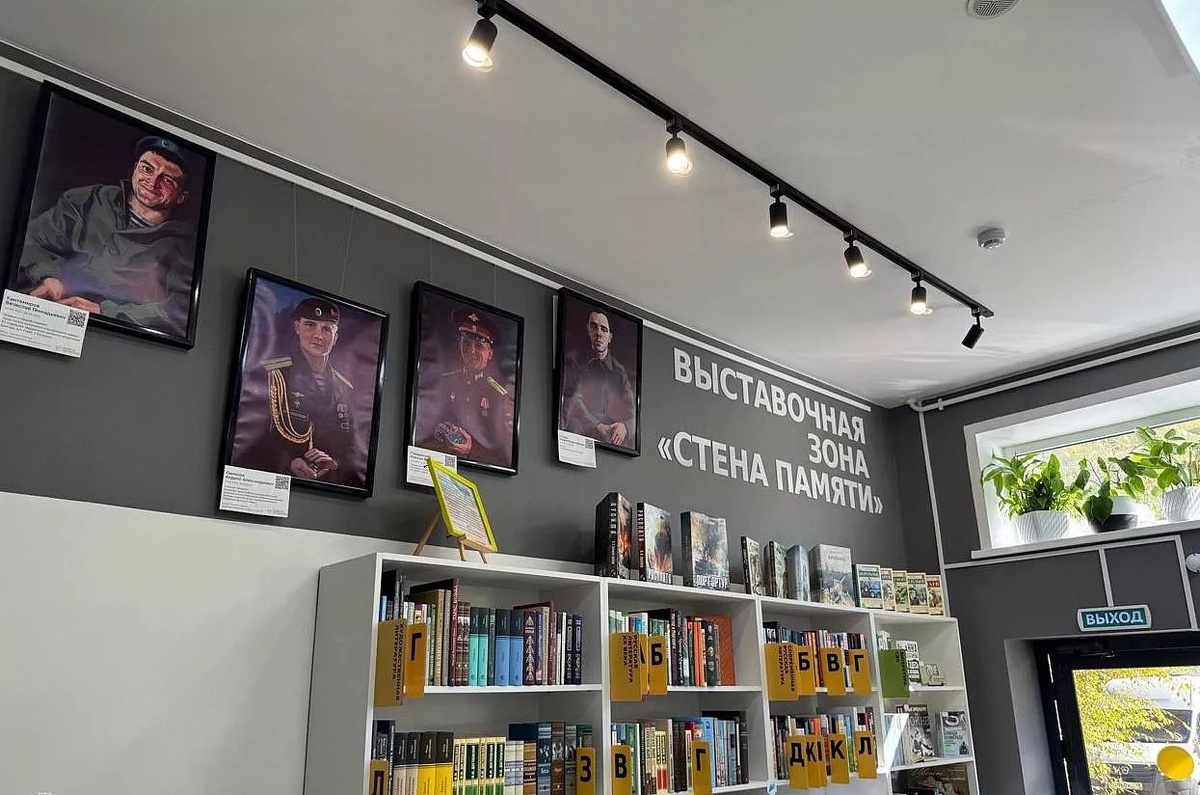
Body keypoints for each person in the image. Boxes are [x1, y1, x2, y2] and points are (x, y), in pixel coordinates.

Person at [14, 135, 199, 337]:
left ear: (181, 197)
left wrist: (104, 313)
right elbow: (31, 240)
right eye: (147, 169)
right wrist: (49, 278)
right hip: (46, 310)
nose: (152, 182)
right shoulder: (85, 201)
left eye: (167, 181)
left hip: (111, 335)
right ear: (135, 168)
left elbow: (179, 309)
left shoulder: (183, 245)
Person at [237, 297, 358, 483]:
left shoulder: (345, 388)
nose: (318, 335)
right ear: (297, 327)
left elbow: (351, 447)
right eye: (310, 325)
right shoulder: (270, 375)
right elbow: (246, 439)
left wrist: (334, 462)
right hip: (275, 479)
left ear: (335, 338)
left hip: (327, 487)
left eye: (326, 329)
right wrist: (289, 462)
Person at [414, 309, 514, 467]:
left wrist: (470, 450)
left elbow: (506, 458)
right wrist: (438, 431)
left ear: (490, 353)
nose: (471, 350)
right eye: (466, 342)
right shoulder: (443, 382)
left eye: (479, 344)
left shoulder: (500, 395)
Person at [561, 310, 636, 447]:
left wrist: (625, 427)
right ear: (588, 330)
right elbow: (573, 401)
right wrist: (597, 425)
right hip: (582, 430)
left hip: (610, 435)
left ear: (610, 337)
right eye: (594, 327)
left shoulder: (619, 371)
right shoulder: (575, 362)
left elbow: (632, 410)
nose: (599, 333)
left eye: (604, 329)